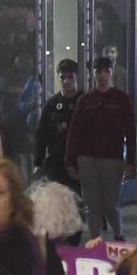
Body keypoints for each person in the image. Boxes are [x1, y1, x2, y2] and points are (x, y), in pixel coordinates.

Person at [65, 56, 137, 238]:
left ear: (112, 73)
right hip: (87, 158)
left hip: (113, 158)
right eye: (98, 71)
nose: (103, 76)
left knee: (110, 203)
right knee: (91, 203)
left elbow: (131, 132)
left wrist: (130, 161)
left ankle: (118, 234)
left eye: (106, 71)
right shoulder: (85, 100)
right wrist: (70, 160)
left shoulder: (121, 99)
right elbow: (75, 132)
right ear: (93, 74)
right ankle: (95, 239)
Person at [33, 59, 82, 188]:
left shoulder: (85, 102)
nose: (66, 81)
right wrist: (38, 162)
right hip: (56, 163)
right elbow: (41, 135)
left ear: (77, 77)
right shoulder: (51, 105)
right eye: (62, 77)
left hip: (80, 163)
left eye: (70, 77)